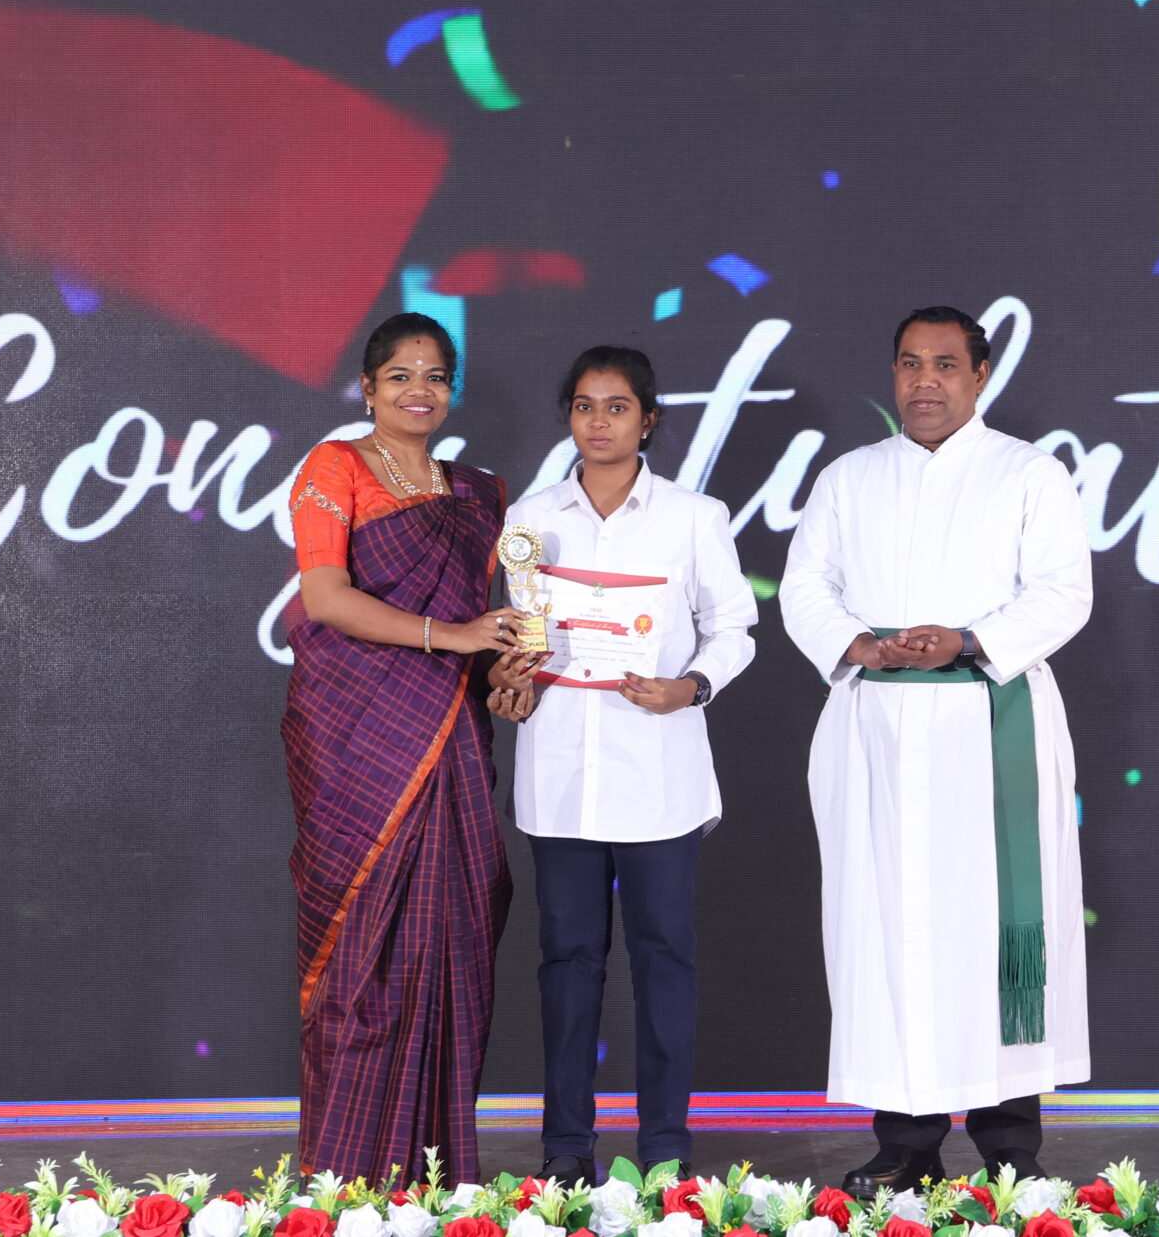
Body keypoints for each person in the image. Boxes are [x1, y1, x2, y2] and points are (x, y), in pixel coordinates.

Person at [777, 305, 1094, 1194]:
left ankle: (1010, 1142)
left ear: (980, 375)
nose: (925, 381)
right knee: (889, 927)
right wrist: (859, 642)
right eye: (910, 363)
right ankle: (905, 1140)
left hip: (989, 725)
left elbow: (1064, 593)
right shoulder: (849, 477)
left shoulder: (1030, 474)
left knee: (996, 929)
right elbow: (805, 589)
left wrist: (968, 639)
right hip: (876, 726)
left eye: (945, 364)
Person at [488, 346, 758, 1186]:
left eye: (616, 406)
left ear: (648, 419)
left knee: (664, 960)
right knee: (566, 965)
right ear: (567, 415)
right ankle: (567, 1147)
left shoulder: (692, 516)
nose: (598, 422)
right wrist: (510, 676)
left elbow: (736, 627)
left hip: (658, 777)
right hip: (562, 777)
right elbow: (522, 637)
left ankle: (666, 1147)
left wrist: (691, 686)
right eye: (584, 405)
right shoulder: (532, 517)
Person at [281, 312, 538, 1183]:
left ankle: (435, 1174)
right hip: (358, 735)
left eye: (434, 375)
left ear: (451, 388)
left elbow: (491, 628)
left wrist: (507, 672)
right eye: (399, 375)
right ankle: (342, 1175)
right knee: (360, 957)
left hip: (451, 735)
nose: (418, 390)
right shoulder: (335, 467)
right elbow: (325, 597)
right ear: (368, 387)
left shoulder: (482, 493)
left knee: (450, 940)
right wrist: (453, 635)